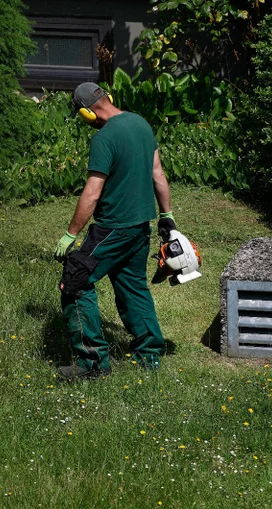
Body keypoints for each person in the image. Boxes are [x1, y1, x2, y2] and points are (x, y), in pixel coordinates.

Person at [52, 82, 175, 381]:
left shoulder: (104, 138)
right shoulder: (141, 123)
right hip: (139, 227)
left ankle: (92, 364)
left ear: (86, 113)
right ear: (109, 98)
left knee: (75, 282)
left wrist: (71, 234)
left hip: (112, 228)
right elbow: (157, 173)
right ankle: (149, 355)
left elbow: (92, 194)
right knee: (133, 287)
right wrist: (166, 216)